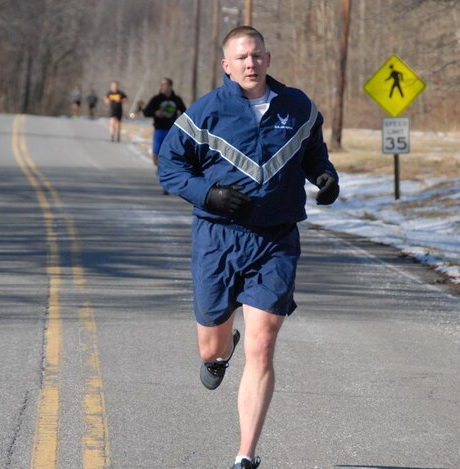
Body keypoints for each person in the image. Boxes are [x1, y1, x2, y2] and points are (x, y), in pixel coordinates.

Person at [158, 26, 339, 469]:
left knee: (263, 344)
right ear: (226, 65)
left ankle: (245, 456)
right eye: (241, 58)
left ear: (268, 57)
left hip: (275, 239)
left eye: (256, 55)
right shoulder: (205, 113)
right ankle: (220, 353)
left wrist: (325, 177)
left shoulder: (298, 106)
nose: (250, 64)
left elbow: (314, 151)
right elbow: (169, 167)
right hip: (217, 239)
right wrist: (208, 195)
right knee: (210, 347)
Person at [142, 77, 187, 194]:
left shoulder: (177, 100)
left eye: (164, 84)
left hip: (172, 133)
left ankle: (166, 181)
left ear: (170, 86)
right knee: (155, 159)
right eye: (161, 84)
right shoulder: (156, 99)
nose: (162, 87)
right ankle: (161, 170)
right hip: (159, 131)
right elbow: (145, 112)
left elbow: (185, 114)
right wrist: (155, 112)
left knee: (169, 157)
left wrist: (180, 122)